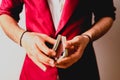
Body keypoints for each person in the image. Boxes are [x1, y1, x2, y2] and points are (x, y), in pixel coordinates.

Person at [0, 0, 116, 80]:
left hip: (82, 68)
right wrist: (23, 38)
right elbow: (5, 13)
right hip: (35, 71)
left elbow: (106, 14)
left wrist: (87, 37)